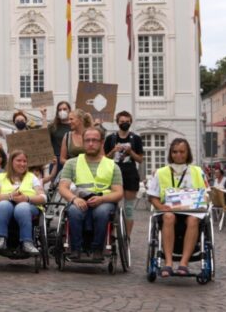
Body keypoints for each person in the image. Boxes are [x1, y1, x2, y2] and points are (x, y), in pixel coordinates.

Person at [58, 127, 124, 261]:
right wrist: (74, 198)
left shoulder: (112, 166)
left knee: (101, 212)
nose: (91, 144)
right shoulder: (71, 163)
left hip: (104, 201)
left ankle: (97, 248)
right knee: (74, 212)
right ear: (83, 142)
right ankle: (76, 248)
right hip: (80, 198)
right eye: (87, 140)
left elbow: (118, 193)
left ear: (101, 142)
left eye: (94, 140)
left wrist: (102, 199)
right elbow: (63, 188)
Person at [146, 138, 208, 277]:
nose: (178, 155)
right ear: (170, 153)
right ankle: (168, 263)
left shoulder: (198, 171)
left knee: (193, 220)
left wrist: (201, 202)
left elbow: (206, 194)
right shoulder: (160, 172)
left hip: (191, 212)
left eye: (182, 152)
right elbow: (152, 196)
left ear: (187, 153)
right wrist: (161, 207)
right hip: (168, 211)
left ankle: (183, 263)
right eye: (174, 152)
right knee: (168, 217)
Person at [0, 150, 44, 254]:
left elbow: (43, 197)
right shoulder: (0, 177)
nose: (22, 164)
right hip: (5, 206)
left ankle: (27, 242)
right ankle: (1, 240)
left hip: (28, 206)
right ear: (11, 162)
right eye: (19, 161)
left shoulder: (32, 177)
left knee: (22, 207)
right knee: (3, 205)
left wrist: (27, 198)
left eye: (25, 161)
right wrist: (10, 196)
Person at [103, 110, 144, 238]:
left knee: (129, 208)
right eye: (122, 122)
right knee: (112, 207)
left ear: (131, 122)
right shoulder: (111, 138)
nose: (124, 124)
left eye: (127, 122)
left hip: (130, 175)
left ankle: (127, 237)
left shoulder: (135, 138)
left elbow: (140, 159)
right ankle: (112, 236)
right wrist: (114, 150)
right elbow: (103, 159)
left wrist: (130, 152)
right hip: (113, 174)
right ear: (117, 123)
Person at [48, 101, 73, 172]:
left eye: (65, 109)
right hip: (56, 161)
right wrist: (44, 116)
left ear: (69, 110)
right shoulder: (53, 126)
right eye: (60, 109)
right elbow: (44, 137)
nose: (62, 111)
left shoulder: (74, 126)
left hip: (70, 160)